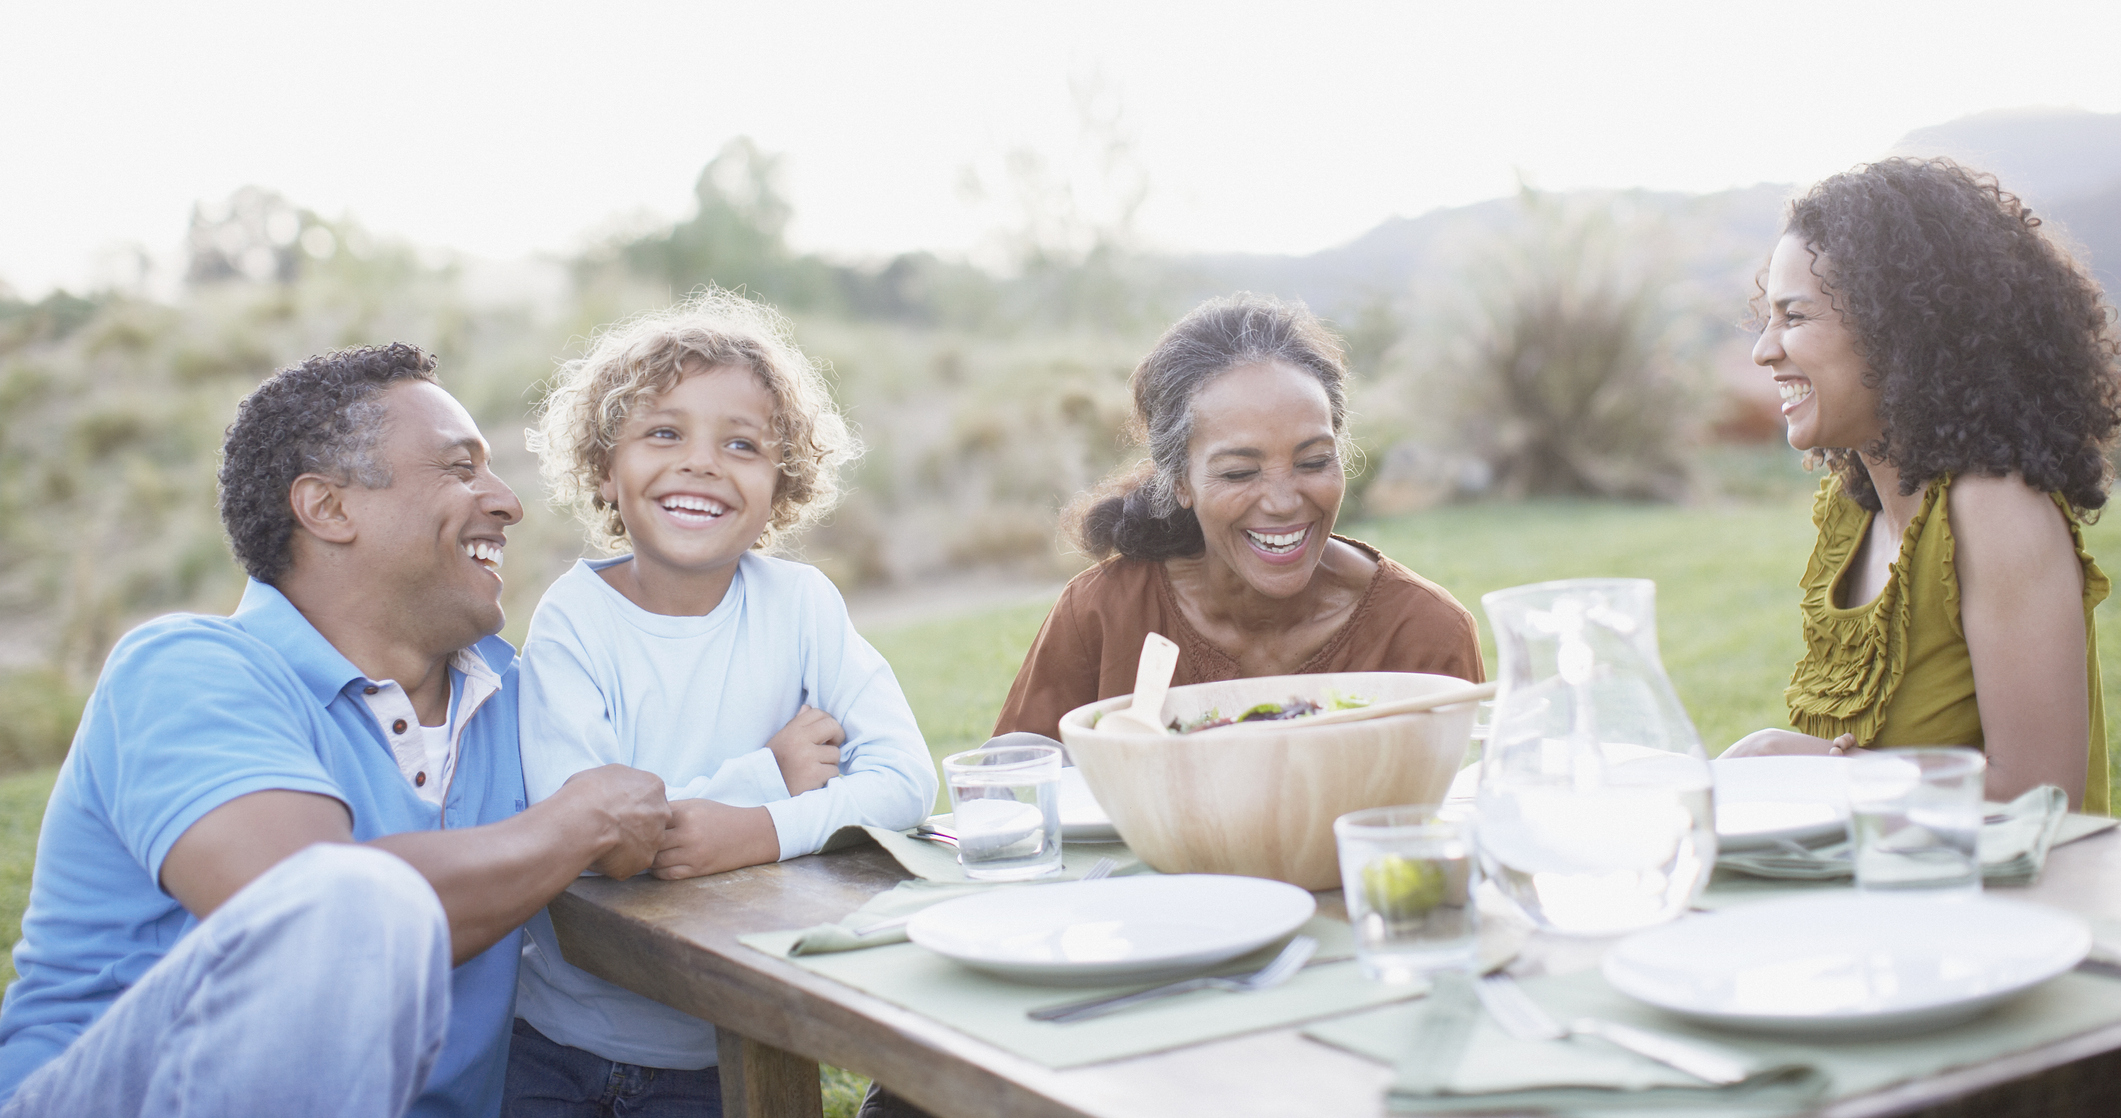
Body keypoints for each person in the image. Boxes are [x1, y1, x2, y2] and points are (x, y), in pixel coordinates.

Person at [0, 344, 671, 1118]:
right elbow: (310, 917)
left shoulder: (520, 697)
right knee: (348, 899)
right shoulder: (188, 669)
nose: (506, 501)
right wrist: (573, 826)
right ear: (328, 507)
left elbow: (669, 796)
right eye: (459, 469)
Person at [507, 290, 935, 1117]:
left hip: (729, 1046)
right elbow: (590, 840)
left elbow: (907, 781)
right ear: (605, 466)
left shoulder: (801, 605)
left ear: (781, 486)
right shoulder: (573, 620)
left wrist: (754, 832)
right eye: (663, 432)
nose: (701, 462)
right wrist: (765, 777)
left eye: (741, 444)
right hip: (561, 1045)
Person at [1725, 159, 2120, 812]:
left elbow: (2038, 799)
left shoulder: (1993, 510)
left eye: (1793, 318)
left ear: (1897, 331)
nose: (1762, 351)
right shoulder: (1852, 511)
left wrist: (1797, 766)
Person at [993, 293, 1484, 738]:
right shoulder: (1102, 616)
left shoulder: (1424, 634)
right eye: (1239, 473)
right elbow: (1012, 794)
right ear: (1181, 481)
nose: (1283, 501)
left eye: (1313, 462)